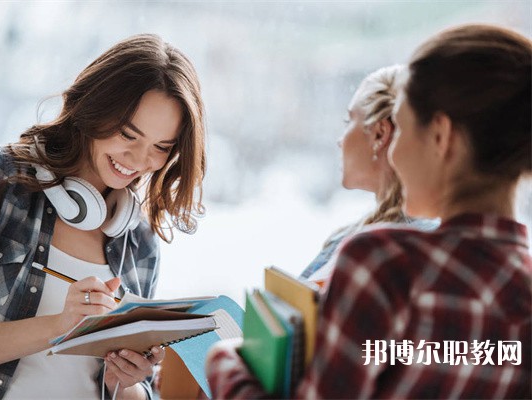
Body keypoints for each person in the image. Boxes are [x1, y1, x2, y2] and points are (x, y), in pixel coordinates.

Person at [206, 24, 531, 398]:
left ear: (441, 137)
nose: (392, 153)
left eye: (403, 130)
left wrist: (225, 362)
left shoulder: (385, 262)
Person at [0, 33, 205, 400]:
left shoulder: (138, 238)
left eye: (161, 147)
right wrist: (59, 327)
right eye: (128, 134)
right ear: (93, 109)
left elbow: (123, 390)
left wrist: (126, 382)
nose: (140, 161)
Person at [300, 64, 437, 284]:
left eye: (348, 122)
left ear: (380, 134)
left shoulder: (394, 249)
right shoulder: (356, 238)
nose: (340, 140)